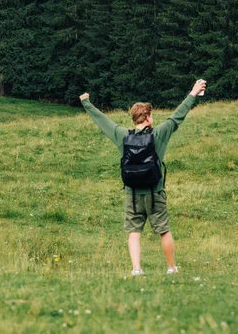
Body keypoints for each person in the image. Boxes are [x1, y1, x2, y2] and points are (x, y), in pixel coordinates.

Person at [79, 79, 207, 276]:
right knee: (163, 230)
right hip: (155, 192)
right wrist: (193, 93)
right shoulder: (159, 134)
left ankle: (137, 269)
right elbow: (177, 117)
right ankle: (172, 268)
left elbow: (102, 120)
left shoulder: (121, 135)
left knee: (134, 232)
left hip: (132, 194)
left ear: (134, 119)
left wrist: (86, 102)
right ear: (147, 117)